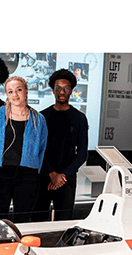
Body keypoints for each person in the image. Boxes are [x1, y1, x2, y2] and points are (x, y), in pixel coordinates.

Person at [0, 76, 48, 223]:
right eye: (10, 91)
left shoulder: (38, 119)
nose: (15, 95)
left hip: (27, 175)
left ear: (26, 91)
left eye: (19, 90)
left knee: (23, 219)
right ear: (7, 95)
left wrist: (33, 169)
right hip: (0, 173)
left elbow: (42, 148)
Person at [32, 69, 88, 222]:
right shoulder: (42, 117)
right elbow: (37, 150)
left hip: (67, 180)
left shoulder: (79, 118)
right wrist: (51, 174)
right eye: (58, 88)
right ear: (52, 90)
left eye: (66, 88)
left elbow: (82, 153)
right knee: (38, 221)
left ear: (71, 91)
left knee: (64, 223)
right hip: (43, 178)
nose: (62, 92)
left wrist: (62, 176)